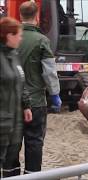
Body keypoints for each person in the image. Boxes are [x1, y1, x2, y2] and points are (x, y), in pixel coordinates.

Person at [3, 1, 62, 176]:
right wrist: (55, 94)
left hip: (12, 103)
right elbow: (49, 73)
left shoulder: (10, 38)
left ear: (20, 16)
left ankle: (9, 176)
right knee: (34, 142)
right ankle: (33, 176)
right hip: (36, 103)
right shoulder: (42, 41)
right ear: (37, 16)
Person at [0, 17, 32, 176]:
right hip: (2, 123)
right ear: (8, 35)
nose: (21, 38)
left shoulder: (14, 55)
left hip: (14, 124)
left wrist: (26, 105)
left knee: (9, 164)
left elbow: (21, 81)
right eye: (18, 35)